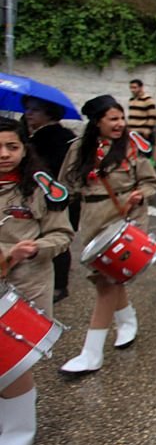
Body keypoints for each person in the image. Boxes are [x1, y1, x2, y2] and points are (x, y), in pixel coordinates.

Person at [58, 95, 156, 374]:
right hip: (92, 218)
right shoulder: (79, 148)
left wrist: (141, 194)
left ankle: (91, 354)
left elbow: (151, 181)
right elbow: (66, 183)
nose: (120, 124)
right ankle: (127, 321)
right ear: (97, 122)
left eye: (121, 118)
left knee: (108, 282)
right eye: (113, 119)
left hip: (126, 218)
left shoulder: (132, 146)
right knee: (103, 278)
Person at [0, 117, 74, 445]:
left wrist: (35, 249)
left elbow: (61, 235)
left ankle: (20, 430)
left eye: (12, 147)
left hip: (25, 284)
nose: (4, 154)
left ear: (24, 148)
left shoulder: (41, 188)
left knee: (13, 359)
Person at [22, 96, 77, 304]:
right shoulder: (64, 134)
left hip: (51, 196)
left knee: (56, 237)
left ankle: (59, 285)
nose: (29, 114)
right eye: (27, 109)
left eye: (35, 110)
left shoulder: (47, 138)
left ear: (49, 113)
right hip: (63, 195)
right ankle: (59, 283)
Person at [127, 79, 156, 153]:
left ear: (141, 88)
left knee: (143, 154)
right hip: (132, 132)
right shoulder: (131, 100)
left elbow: (152, 116)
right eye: (131, 88)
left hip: (142, 132)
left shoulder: (148, 100)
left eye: (135, 87)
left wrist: (148, 129)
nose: (132, 90)